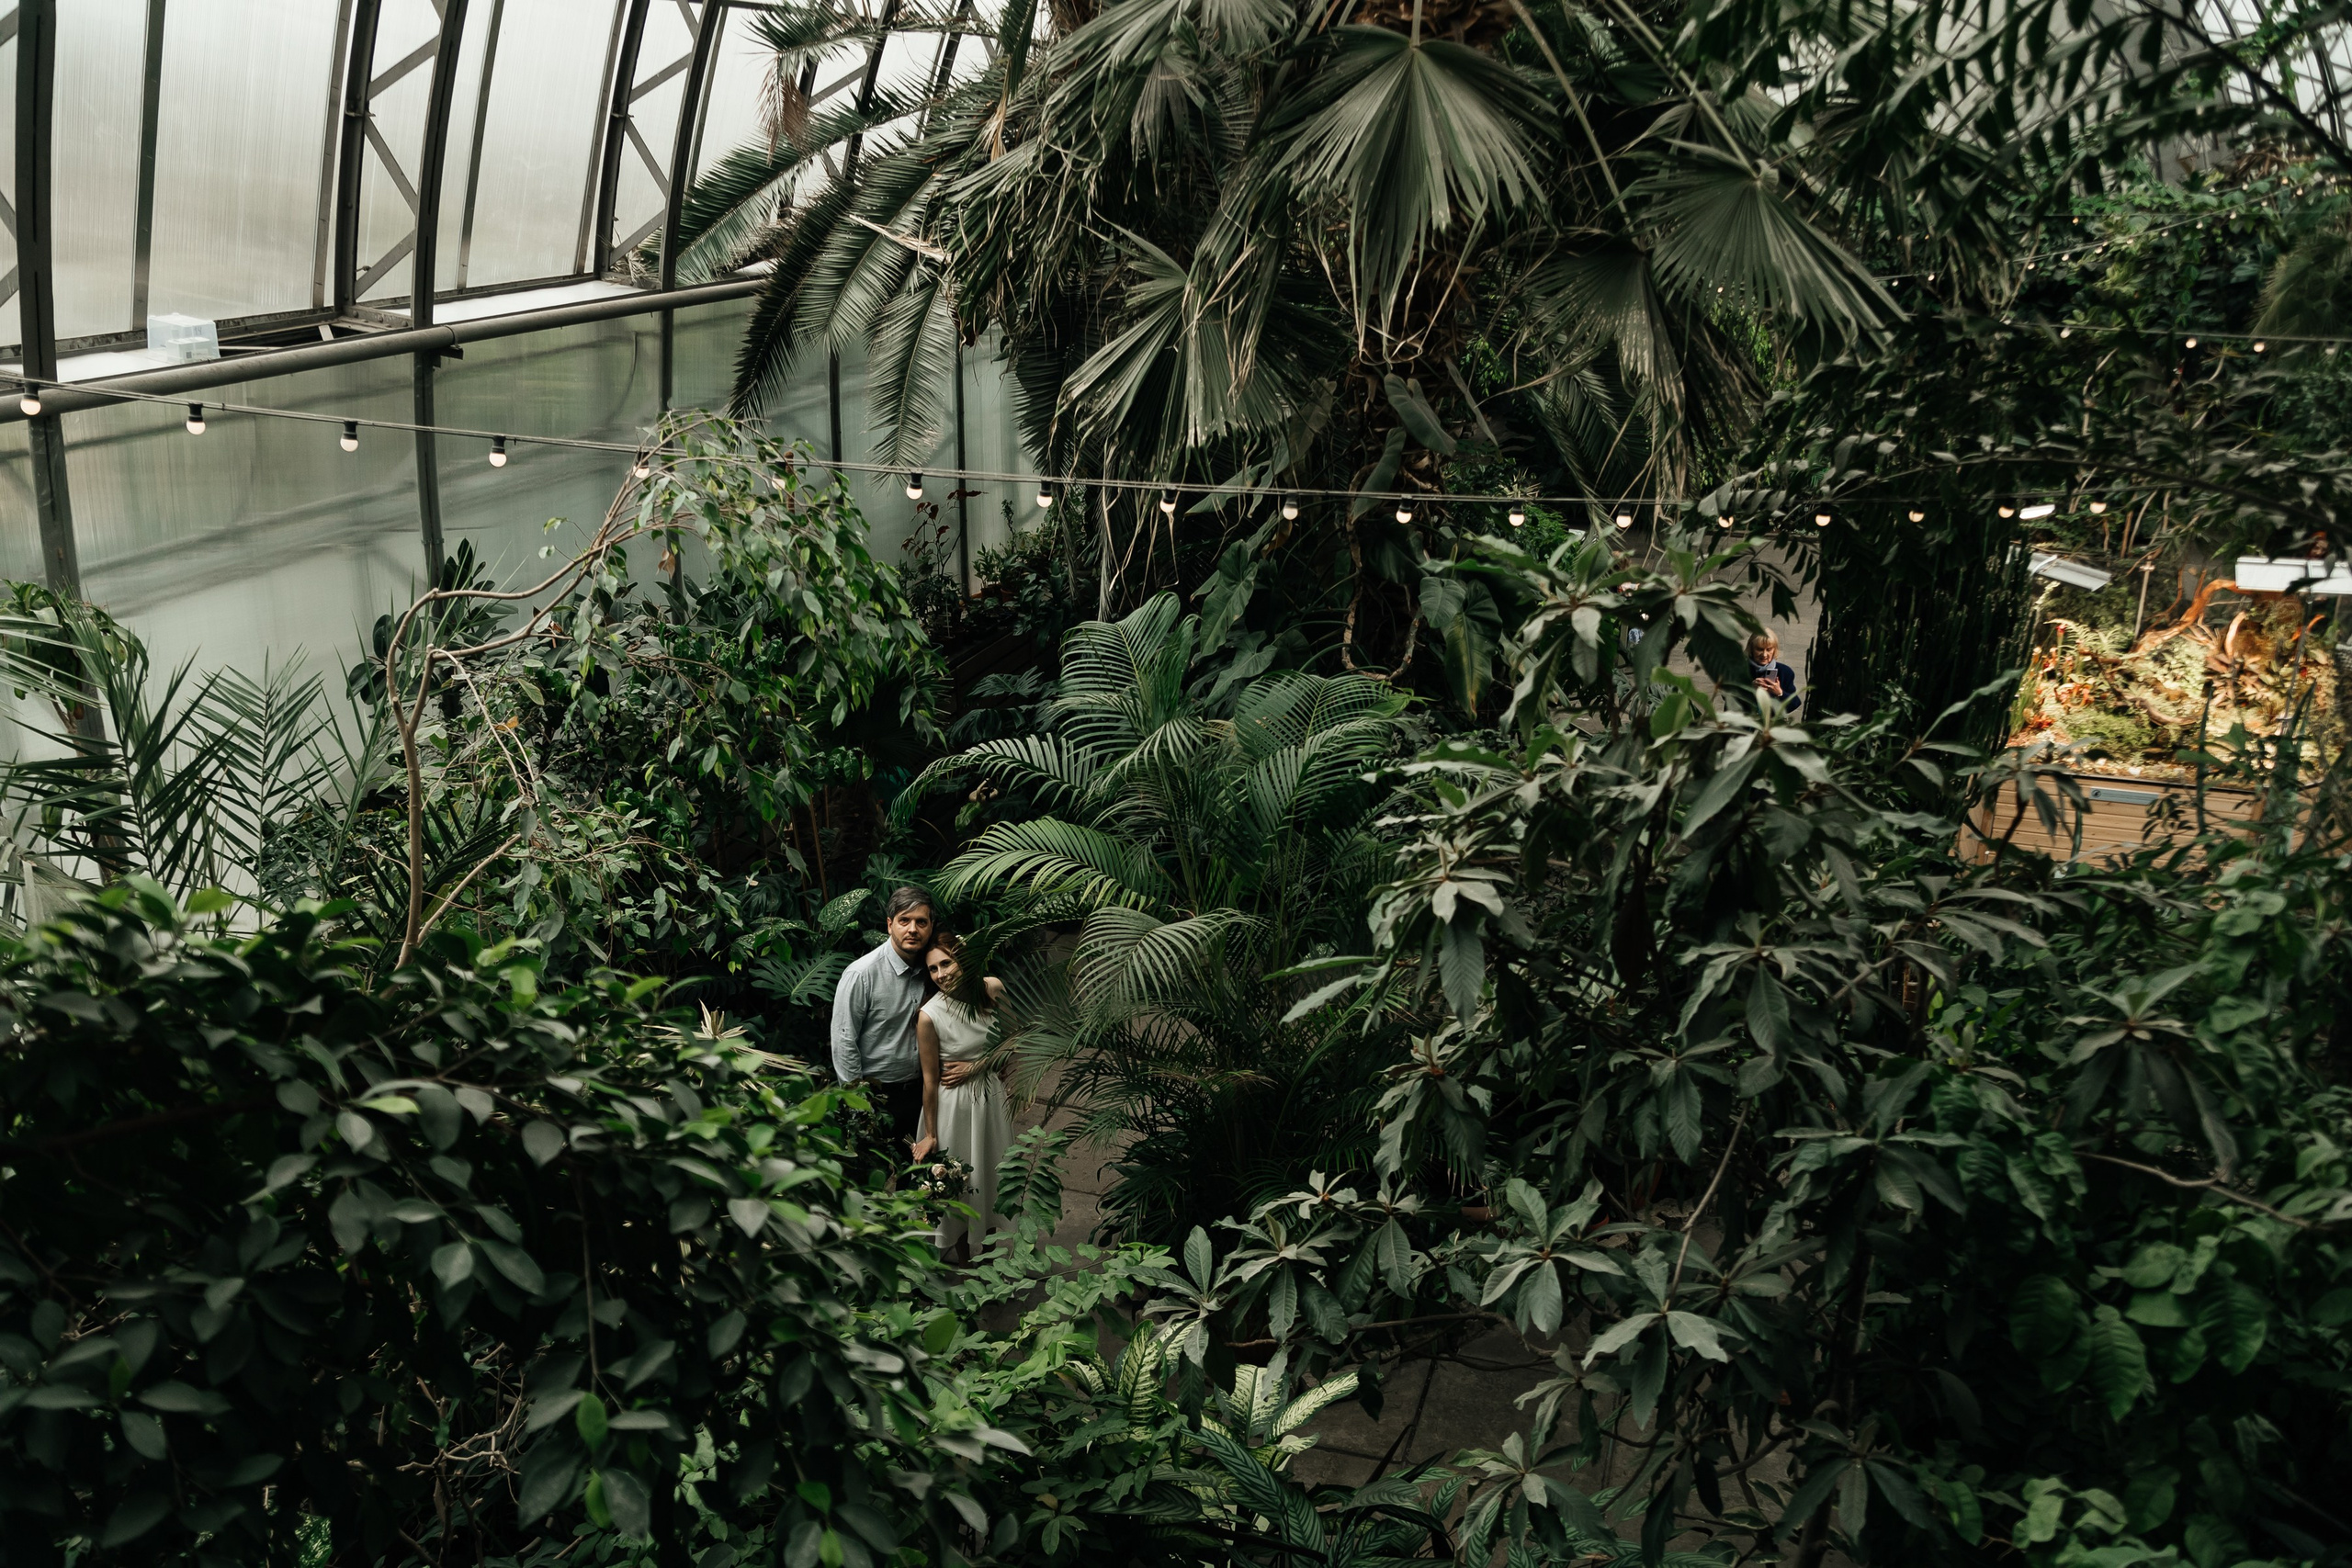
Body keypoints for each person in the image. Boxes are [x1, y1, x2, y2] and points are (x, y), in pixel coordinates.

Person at [910, 932, 1012, 1262]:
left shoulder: (991, 988)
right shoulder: (929, 1015)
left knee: (993, 1175)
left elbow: (1013, 1042)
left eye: (946, 963)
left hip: (991, 1100)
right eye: (933, 969)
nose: (941, 974)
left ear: (962, 960)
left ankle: (994, 1260)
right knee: (961, 1186)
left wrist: (977, 1067)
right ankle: (967, 1261)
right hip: (952, 1108)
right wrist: (930, 1135)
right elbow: (929, 1080)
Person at [829, 886, 935, 1145]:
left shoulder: (936, 969)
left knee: (918, 1175)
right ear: (890, 925)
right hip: (878, 1095)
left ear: (931, 926)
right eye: (904, 921)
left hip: (924, 1091)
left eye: (921, 922)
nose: (913, 929)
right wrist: (859, 1104)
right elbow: (844, 1042)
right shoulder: (862, 975)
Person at [1746, 631, 1802, 711]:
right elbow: (1728, 699)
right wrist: (1749, 690)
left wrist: (1779, 693)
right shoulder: (1739, 669)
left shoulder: (1785, 672)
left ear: (1774, 650)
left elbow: (1794, 704)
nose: (1764, 654)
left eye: (1769, 649)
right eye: (1759, 649)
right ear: (1751, 649)